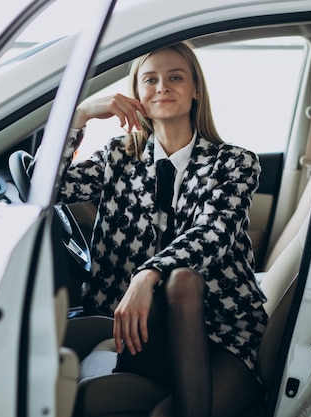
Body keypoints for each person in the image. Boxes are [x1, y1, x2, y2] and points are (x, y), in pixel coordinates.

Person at [52, 42, 268, 417]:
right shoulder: (118, 157)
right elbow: (47, 190)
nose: (162, 87)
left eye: (176, 77)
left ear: (195, 89)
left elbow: (213, 233)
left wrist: (146, 275)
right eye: (150, 79)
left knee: (182, 279)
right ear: (136, 94)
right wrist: (80, 116)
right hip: (143, 333)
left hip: (221, 331)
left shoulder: (235, 162)